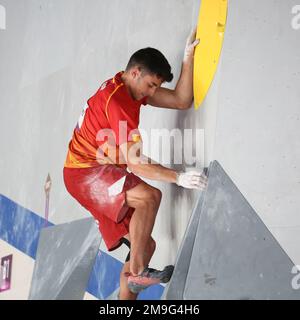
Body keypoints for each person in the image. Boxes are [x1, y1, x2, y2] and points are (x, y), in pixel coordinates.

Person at [63, 28, 207, 300]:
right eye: (152, 85)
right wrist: (178, 177)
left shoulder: (129, 88)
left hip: (94, 171)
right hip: (85, 173)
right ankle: (139, 273)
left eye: (156, 87)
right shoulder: (118, 102)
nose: (152, 93)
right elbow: (138, 165)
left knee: (145, 243)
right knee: (150, 197)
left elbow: (180, 100)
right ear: (135, 73)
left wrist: (188, 59)